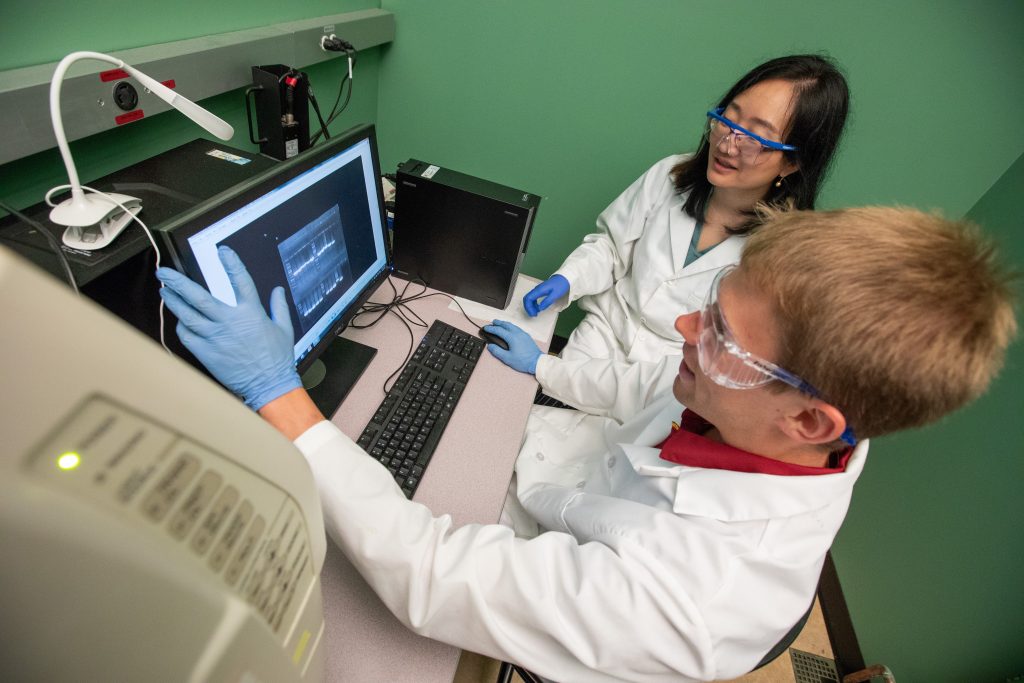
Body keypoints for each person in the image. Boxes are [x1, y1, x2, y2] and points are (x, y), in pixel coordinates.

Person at [155, 207, 1016, 682]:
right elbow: (642, 390)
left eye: (718, 333)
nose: (684, 325)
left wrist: (280, 397)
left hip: (555, 596)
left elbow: (427, 576)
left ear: (810, 421)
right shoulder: (777, 424)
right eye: (712, 300)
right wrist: (550, 366)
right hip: (553, 488)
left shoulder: (692, 597)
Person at [517, 54, 849, 412]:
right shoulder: (669, 175)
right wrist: (569, 278)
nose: (726, 143)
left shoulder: (782, 261)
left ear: (793, 161)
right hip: (591, 349)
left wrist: (543, 366)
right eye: (727, 118)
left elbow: (708, 370)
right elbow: (613, 250)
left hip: (661, 399)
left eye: (754, 137)